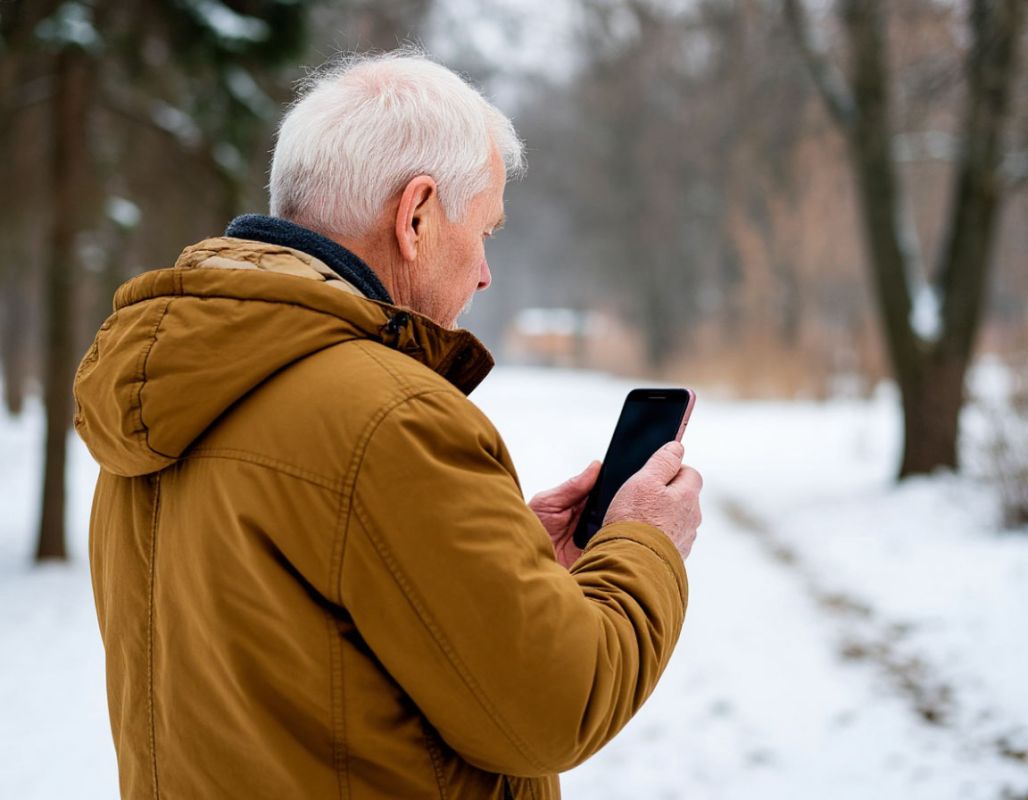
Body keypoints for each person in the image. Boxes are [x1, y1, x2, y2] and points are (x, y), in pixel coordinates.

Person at [73, 49, 703, 800]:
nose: (484, 272)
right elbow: (554, 709)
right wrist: (645, 542)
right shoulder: (390, 417)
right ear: (416, 215)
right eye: (487, 232)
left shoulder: (169, 386)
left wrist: (500, 566)